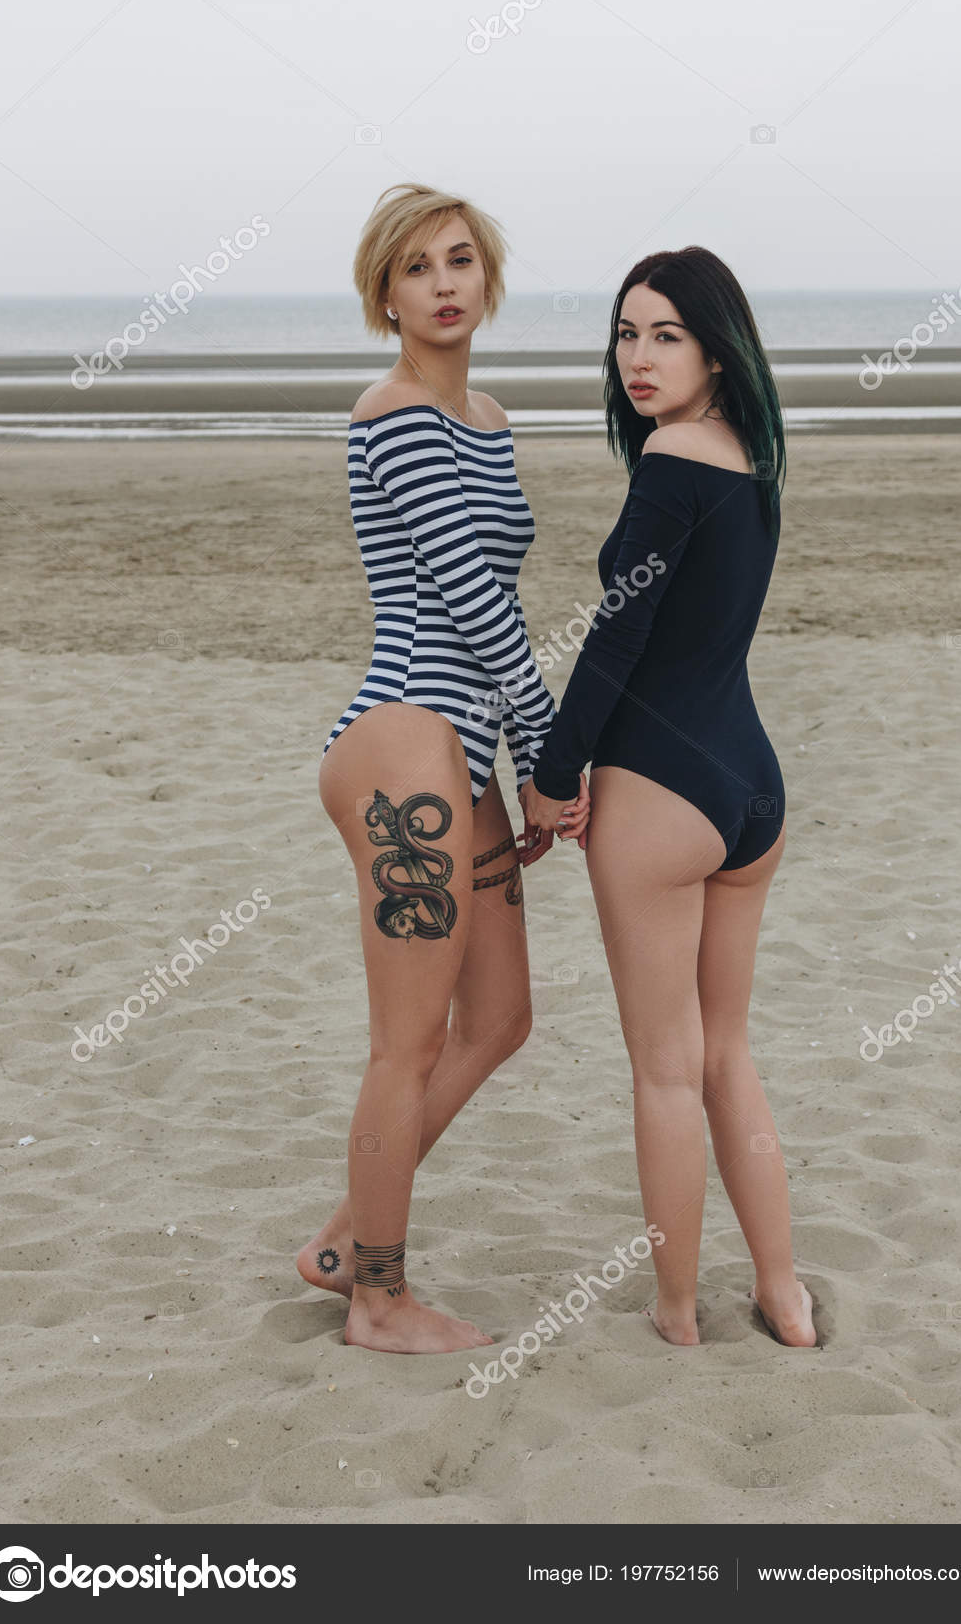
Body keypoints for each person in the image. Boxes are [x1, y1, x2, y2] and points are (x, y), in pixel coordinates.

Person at [300, 183, 588, 1354]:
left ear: (488, 277)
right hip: (406, 739)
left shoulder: (490, 417)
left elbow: (494, 592)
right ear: (385, 295)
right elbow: (471, 600)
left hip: (459, 752)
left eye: (460, 260)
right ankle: (374, 1295)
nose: (443, 283)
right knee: (405, 1041)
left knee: (501, 1017)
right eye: (416, 268)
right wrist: (550, 749)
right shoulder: (396, 411)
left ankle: (338, 1235)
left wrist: (509, 757)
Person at [520, 247, 816, 1347]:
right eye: (624, 332)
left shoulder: (669, 461)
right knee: (725, 1052)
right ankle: (781, 1292)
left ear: (714, 346)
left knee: (662, 1066)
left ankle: (678, 1310)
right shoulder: (753, 457)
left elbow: (617, 637)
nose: (636, 357)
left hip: (658, 792)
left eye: (665, 336)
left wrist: (553, 775)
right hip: (749, 790)